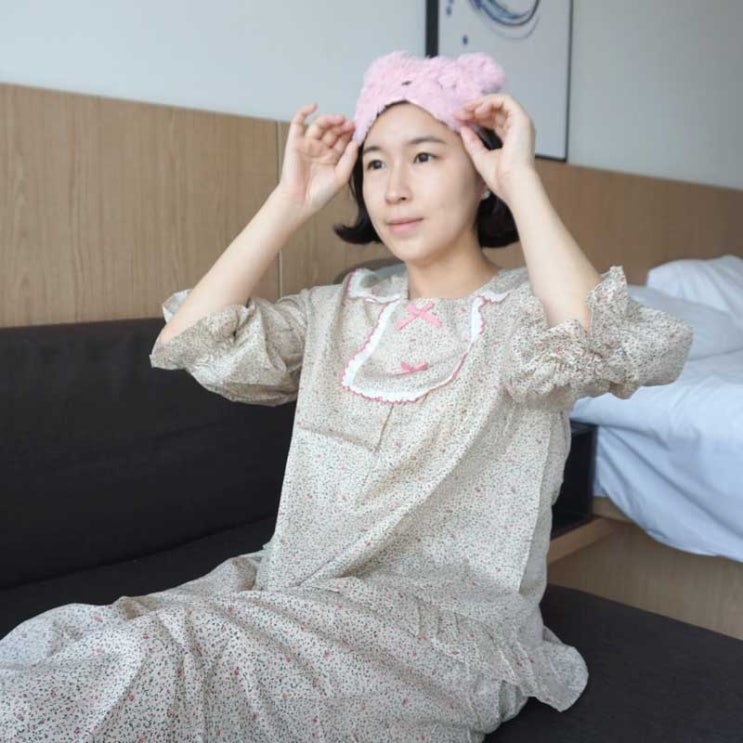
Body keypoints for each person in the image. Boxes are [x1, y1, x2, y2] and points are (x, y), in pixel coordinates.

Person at [0, 51, 692, 742]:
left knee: (162, 660)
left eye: (425, 156)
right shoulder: (341, 307)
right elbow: (195, 341)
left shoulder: (527, 315)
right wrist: (289, 202)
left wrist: (520, 180)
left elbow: (613, 345)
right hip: (297, 585)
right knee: (73, 637)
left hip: (446, 627)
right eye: (375, 163)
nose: (394, 189)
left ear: (480, 171)